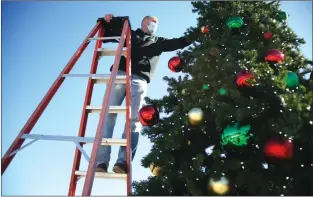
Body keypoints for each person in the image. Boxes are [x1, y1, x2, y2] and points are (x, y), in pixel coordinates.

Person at [96, 14, 193, 174]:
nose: (154, 24)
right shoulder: (130, 33)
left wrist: (197, 33)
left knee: (134, 121)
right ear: (143, 22)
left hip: (139, 80)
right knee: (108, 116)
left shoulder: (158, 42)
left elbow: (178, 42)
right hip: (119, 75)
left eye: (157, 23)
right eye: (152, 21)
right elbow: (107, 35)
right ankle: (101, 162)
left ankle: (122, 161)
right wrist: (108, 21)